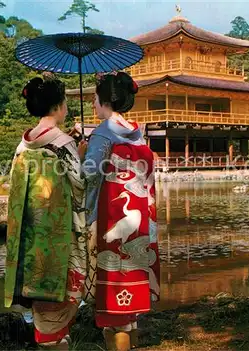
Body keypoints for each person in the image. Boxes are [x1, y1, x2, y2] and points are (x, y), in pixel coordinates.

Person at [4, 74, 89, 350]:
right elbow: (80, 187)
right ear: (59, 106)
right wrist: (82, 155)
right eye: (64, 102)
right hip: (60, 237)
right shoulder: (63, 144)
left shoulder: (22, 146)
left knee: (41, 301)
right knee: (61, 299)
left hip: (32, 238)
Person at [82, 72, 160, 351]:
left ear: (103, 101)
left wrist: (82, 153)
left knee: (112, 313)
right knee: (130, 314)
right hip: (138, 225)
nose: (92, 102)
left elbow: (89, 174)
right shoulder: (138, 135)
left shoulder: (103, 133)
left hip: (107, 224)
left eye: (94, 98)